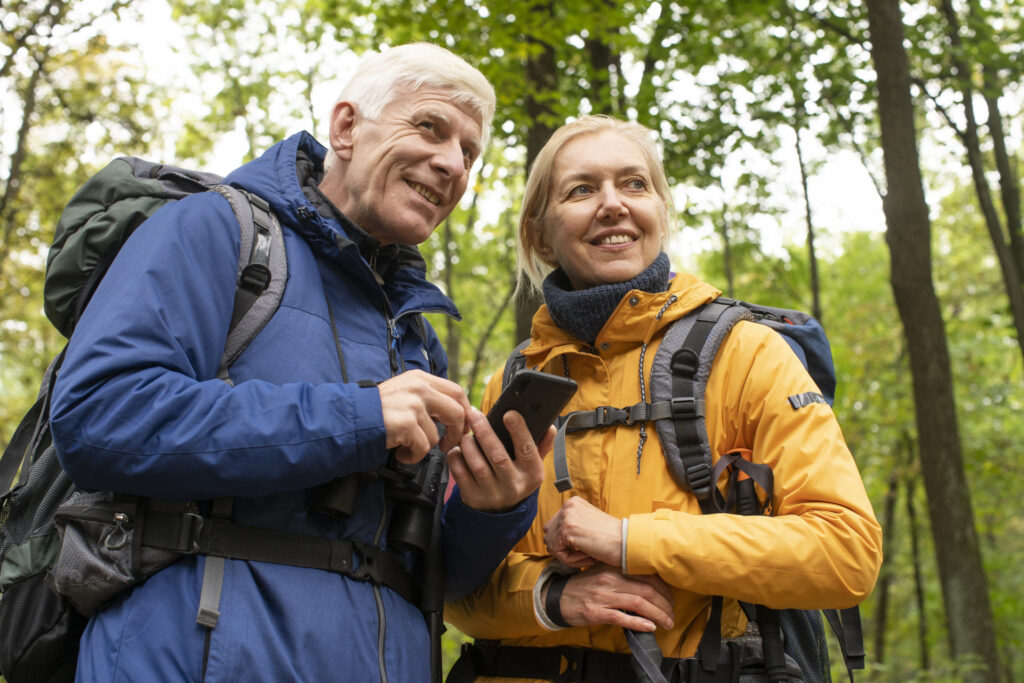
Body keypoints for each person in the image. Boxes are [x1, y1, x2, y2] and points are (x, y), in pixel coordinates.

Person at [49, 43, 547, 682]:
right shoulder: (217, 231)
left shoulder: (415, 331)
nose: (452, 162)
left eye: (469, 152)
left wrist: (491, 508)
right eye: (429, 127)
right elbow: (98, 417)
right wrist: (361, 416)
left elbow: (429, 577)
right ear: (346, 128)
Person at [444, 115, 883, 681]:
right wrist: (553, 596)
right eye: (581, 189)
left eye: (634, 184)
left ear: (659, 210)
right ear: (538, 233)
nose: (613, 204)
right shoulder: (513, 386)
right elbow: (456, 586)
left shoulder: (748, 354)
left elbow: (845, 554)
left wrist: (630, 540)